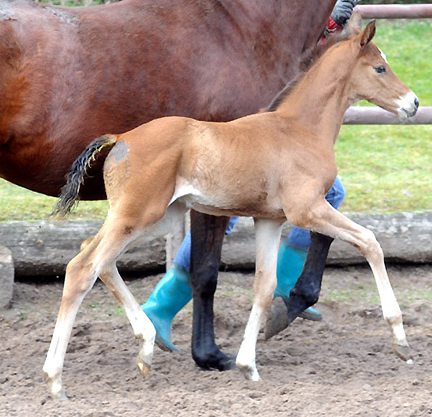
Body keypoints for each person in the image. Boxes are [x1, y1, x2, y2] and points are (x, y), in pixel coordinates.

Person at [142, 0, 356, 352]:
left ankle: (164, 305)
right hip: (262, 101)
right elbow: (296, 42)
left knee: (228, 208)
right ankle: (286, 291)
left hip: (267, 97)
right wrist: (330, 26)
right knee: (240, 205)